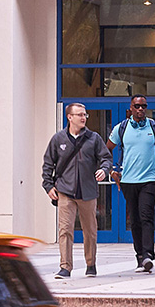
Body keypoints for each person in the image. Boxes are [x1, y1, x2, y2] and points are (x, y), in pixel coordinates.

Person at [41, 102, 111, 279]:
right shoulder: (58, 139)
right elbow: (48, 164)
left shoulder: (94, 138)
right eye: (79, 114)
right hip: (65, 191)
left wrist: (104, 170)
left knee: (90, 231)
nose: (83, 117)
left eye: (85, 114)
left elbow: (106, 158)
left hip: (88, 192)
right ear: (69, 117)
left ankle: (91, 264)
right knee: (65, 230)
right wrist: (48, 186)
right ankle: (65, 267)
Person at [107, 95, 155, 272]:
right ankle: (140, 256)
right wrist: (111, 170)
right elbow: (106, 149)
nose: (141, 109)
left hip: (149, 179)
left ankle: (148, 254)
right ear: (131, 108)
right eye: (137, 106)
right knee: (134, 220)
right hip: (127, 181)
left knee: (146, 216)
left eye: (144, 106)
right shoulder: (121, 128)